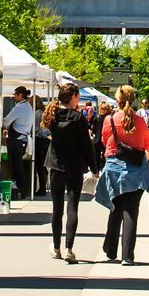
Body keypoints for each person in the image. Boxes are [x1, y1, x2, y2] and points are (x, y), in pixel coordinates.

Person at [93, 85, 149, 266]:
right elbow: (147, 144)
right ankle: (127, 255)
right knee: (131, 211)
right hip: (136, 171)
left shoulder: (109, 119)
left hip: (114, 169)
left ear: (117, 100)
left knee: (115, 209)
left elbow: (103, 139)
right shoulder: (139, 121)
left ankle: (110, 249)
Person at [43, 83, 97, 262]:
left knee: (57, 209)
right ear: (73, 97)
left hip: (56, 165)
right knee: (72, 207)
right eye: (78, 96)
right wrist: (94, 168)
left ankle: (56, 246)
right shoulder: (78, 118)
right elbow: (86, 145)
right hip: (74, 166)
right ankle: (69, 248)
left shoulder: (52, 115)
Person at [3, 85, 36, 195]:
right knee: (19, 164)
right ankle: (21, 187)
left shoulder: (19, 107)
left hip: (17, 140)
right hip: (23, 138)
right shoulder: (28, 106)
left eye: (15, 94)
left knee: (16, 165)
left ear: (20, 95)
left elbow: (6, 121)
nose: (14, 96)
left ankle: (19, 186)